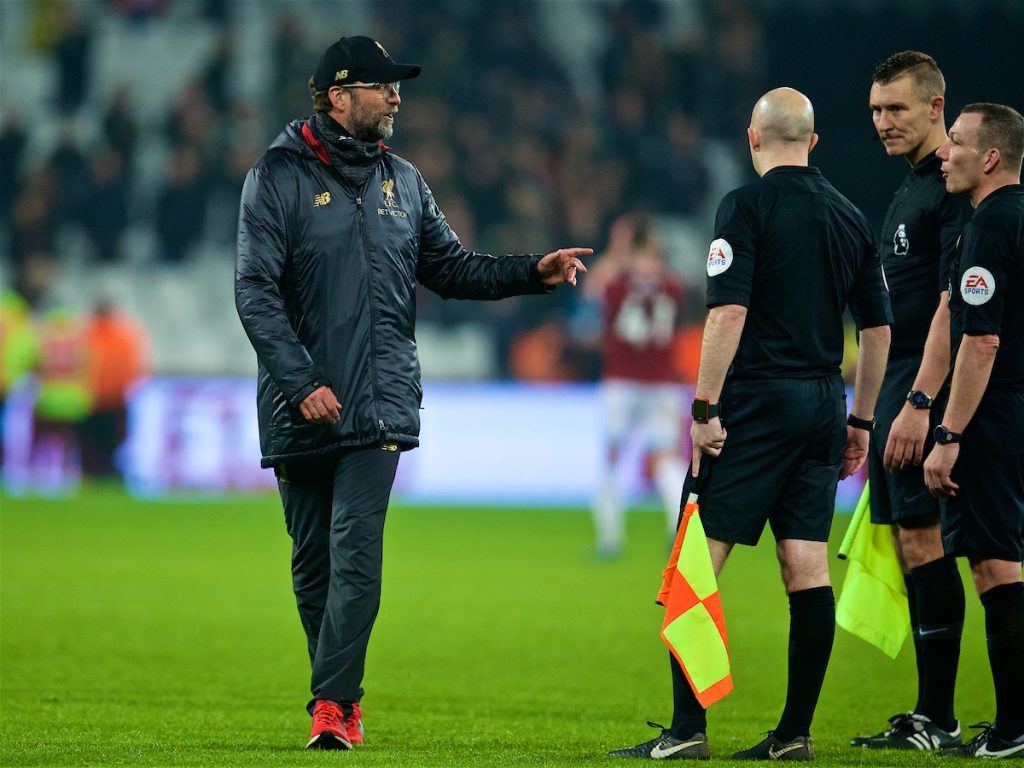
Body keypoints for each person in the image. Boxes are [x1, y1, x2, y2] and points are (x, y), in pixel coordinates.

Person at [234, 35, 591, 752]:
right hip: (298, 405)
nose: (396, 95)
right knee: (314, 569)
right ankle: (338, 696)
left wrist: (532, 271)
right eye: (380, 84)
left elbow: (452, 269)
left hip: (380, 403)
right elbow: (255, 292)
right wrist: (301, 382)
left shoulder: (406, 183)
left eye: (397, 85)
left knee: (355, 550)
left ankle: (332, 706)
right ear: (337, 95)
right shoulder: (275, 177)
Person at [610, 88, 892, 761]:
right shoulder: (852, 215)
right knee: (807, 565)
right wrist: (861, 419)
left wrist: (705, 410)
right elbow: (878, 330)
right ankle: (793, 735)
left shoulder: (744, 206)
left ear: (752, 138)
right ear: (814, 142)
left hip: (757, 403)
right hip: (825, 401)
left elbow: (727, 314)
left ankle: (687, 731)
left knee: (695, 562)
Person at [849, 51, 971, 751]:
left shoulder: (951, 188)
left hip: (928, 392)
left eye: (896, 109)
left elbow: (955, 304)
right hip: (898, 387)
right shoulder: (911, 188)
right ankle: (934, 714)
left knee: (939, 543)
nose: (883, 123)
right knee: (913, 543)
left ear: (934, 107)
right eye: (874, 110)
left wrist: (924, 401)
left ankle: (941, 717)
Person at [923, 102, 1024, 760]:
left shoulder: (989, 226)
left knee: (995, 565)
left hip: (992, 417)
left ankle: (1014, 727)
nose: (944, 152)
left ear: (989, 156)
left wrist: (950, 433)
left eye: (956, 142)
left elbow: (980, 343)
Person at [586, 213, 688, 557]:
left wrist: (617, 252)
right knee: (665, 459)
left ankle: (609, 539)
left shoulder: (617, 282)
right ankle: (678, 528)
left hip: (621, 382)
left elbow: (590, 291)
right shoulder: (673, 285)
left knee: (613, 459)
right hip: (661, 383)